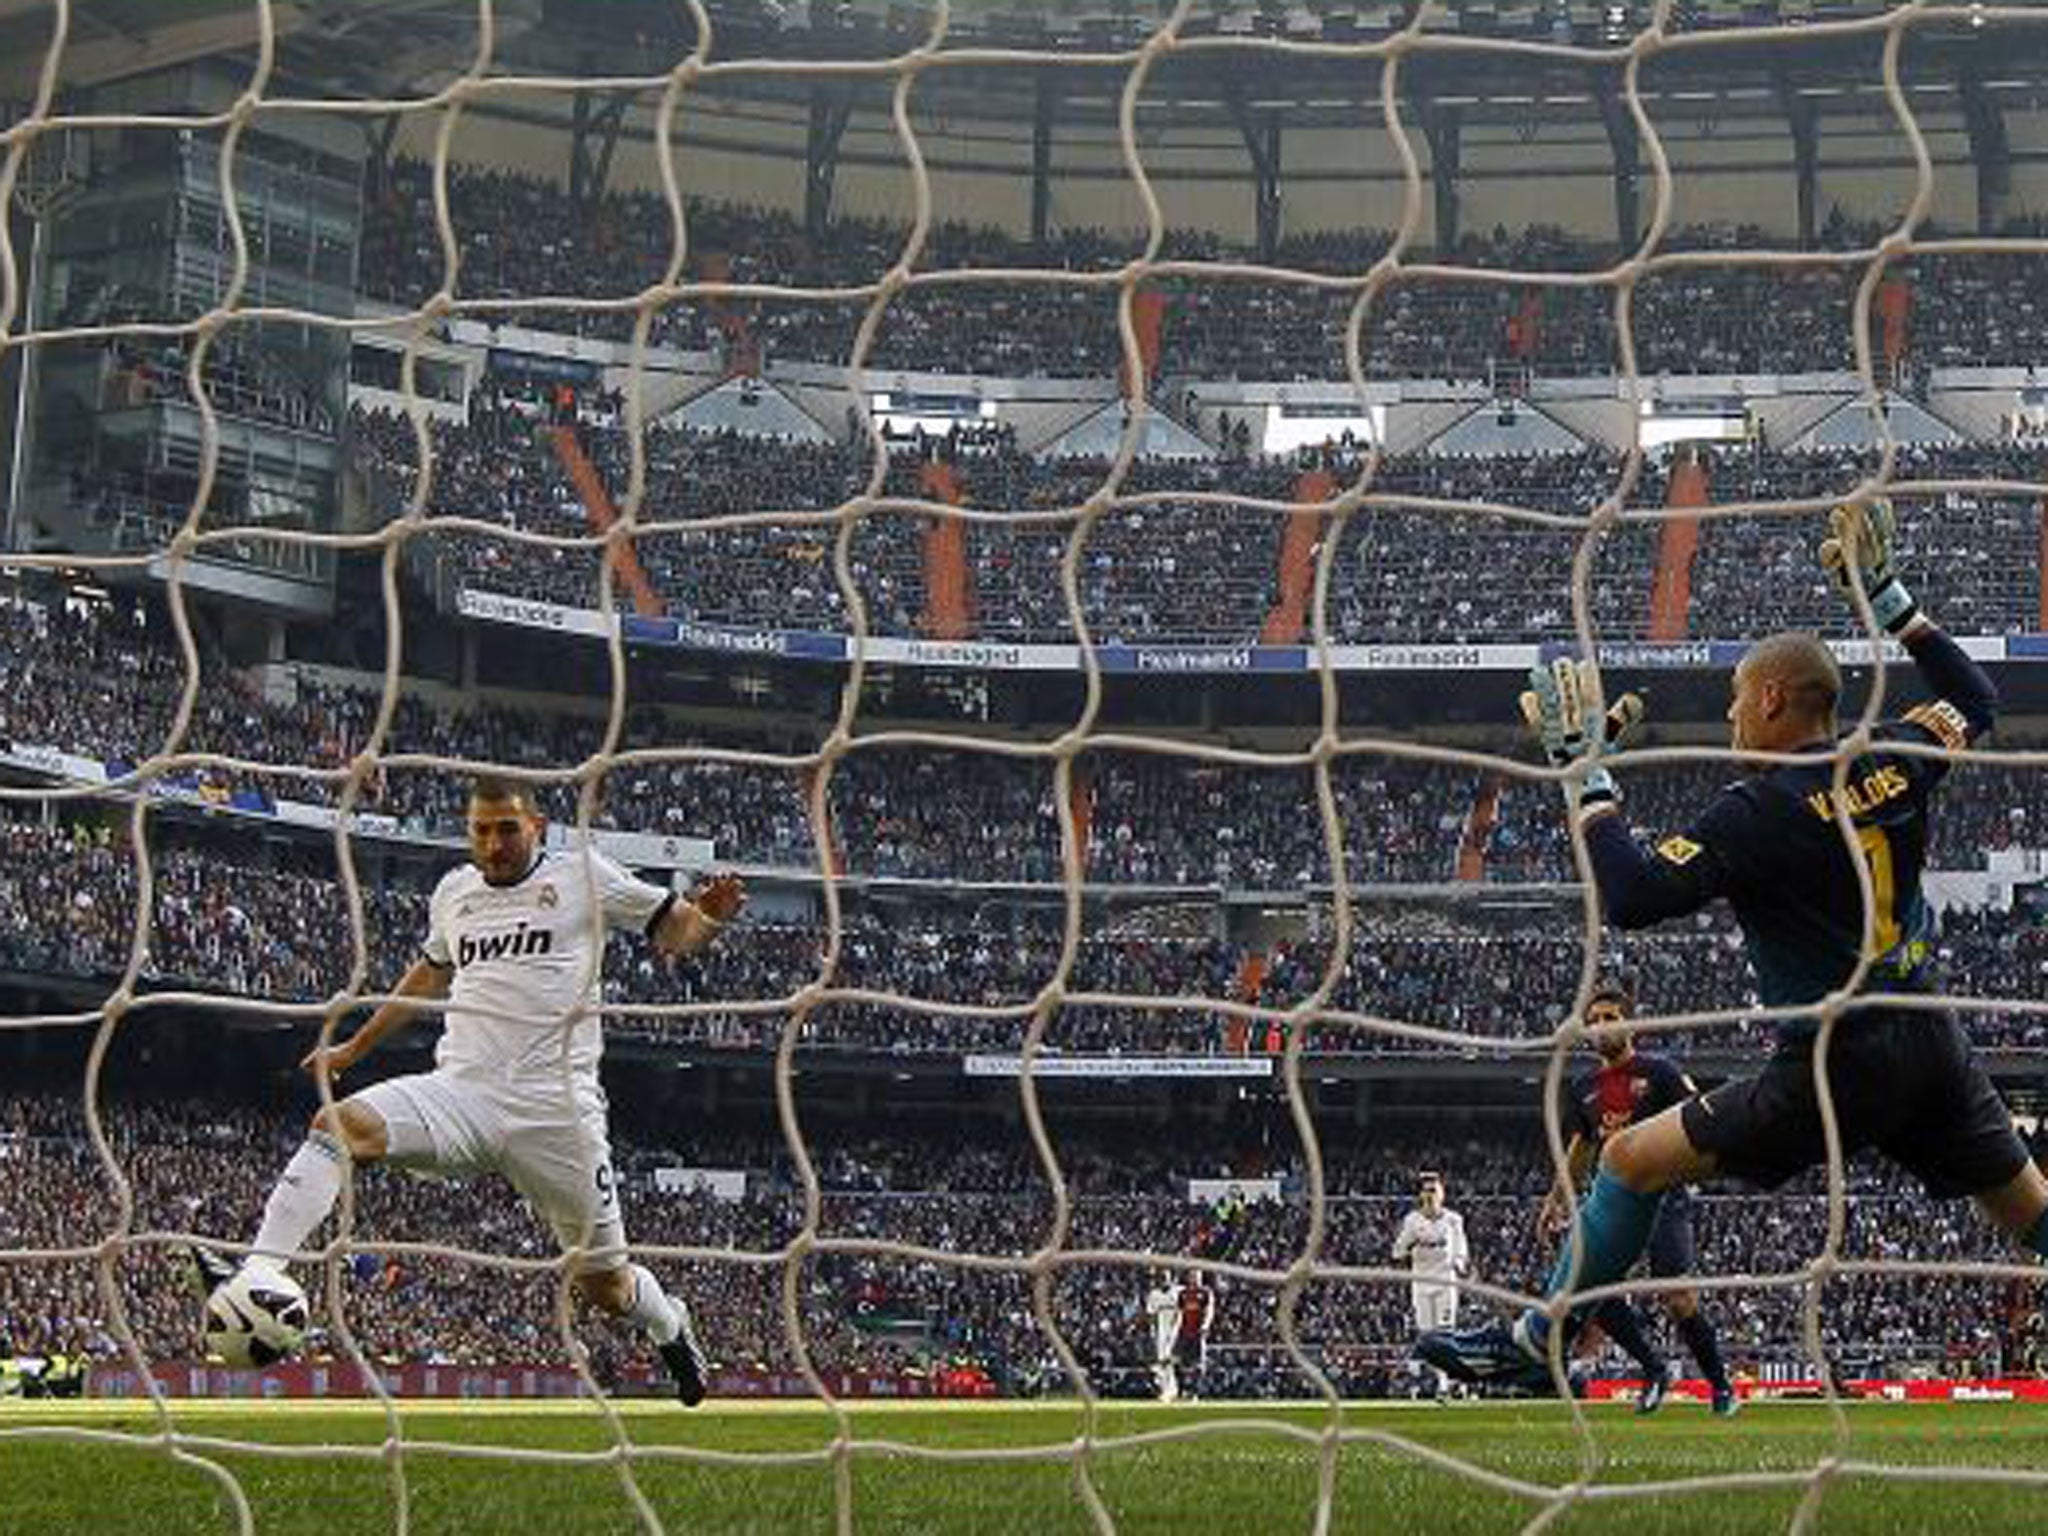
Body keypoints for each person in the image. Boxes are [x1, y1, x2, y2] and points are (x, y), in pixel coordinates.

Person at [1420, 500, 2048, 1391]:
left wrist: (1586, 778)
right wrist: (1894, 603)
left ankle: (1537, 1343)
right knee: (2030, 1216)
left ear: (1769, 698)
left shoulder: (1756, 812)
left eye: (1732, 704)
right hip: (1930, 1038)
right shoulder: (1897, 754)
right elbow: (1978, 699)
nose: (1729, 721)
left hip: (1833, 1060)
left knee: (1630, 1159)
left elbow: (1632, 896)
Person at [191, 775, 746, 1406]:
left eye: (507, 828)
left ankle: (670, 1323)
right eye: (480, 829)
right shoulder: (455, 893)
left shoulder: (582, 875)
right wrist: (352, 1049)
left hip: (556, 1113)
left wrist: (709, 920)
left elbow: (678, 933)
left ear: (536, 825)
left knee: (607, 1290)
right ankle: (261, 1269)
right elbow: (425, 976)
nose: (494, 842)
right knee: (337, 1126)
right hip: (463, 1094)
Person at [1538, 980, 1736, 1415]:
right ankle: (1654, 1369)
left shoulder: (1660, 1072)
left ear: (1632, 1024)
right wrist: (1555, 1198)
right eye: (1593, 1022)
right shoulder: (1583, 1087)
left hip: (1664, 1195)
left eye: (1610, 1018)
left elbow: (1696, 1117)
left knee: (1677, 1296)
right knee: (1585, 1288)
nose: (1601, 1026)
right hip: (1611, 1201)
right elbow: (1581, 1147)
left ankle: (1720, 1385)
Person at [1393, 1172, 1469, 1399]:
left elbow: (1461, 1249)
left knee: (1445, 1334)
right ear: (1420, 1195)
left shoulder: (1454, 1220)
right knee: (1428, 1337)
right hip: (1421, 1285)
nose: (1430, 1195)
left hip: (1445, 1283)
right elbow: (1397, 1251)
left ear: (1442, 1194)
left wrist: (1459, 1263)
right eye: (1426, 1190)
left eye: (1434, 1190)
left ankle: (1446, 1384)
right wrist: (1410, 1244)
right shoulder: (1412, 1221)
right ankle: (1447, 1381)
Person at [1172, 1269, 1215, 1401]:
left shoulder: (1205, 1293)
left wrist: (1206, 1325)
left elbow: (1209, 1310)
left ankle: (1194, 1392)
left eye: (1197, 1277)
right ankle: (1180, 1390)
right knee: (1176, 1361)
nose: (1195, 1279)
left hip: (1197, 1333)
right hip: (1183, 1332)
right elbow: (1179, 1313)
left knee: (1199, 1364)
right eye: (1192, 1276)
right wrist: (1174, 1329)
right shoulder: (1183, 1294)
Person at [1145, 1268, 1183, 1401]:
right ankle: (1168, 1390)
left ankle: (1172, 1390)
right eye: (1161, 1277)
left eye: (1166, 1277)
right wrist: (1152, 1331)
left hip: (1176, 1330)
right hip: (1161, 1331)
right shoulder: (1154, 1295)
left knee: (1169, 1361)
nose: (1164, 1280)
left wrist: (1178, 1329)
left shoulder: (1178, 1292)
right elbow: (1151, 1315)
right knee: (1163, 1362)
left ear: (1171, 1278)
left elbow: (1182, 1312)